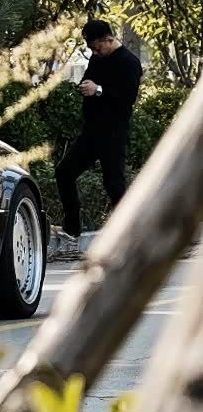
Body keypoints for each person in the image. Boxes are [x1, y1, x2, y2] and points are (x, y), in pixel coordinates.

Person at [54, 19, 143, 258]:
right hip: (91, 132)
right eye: (91, 49)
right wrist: (85, 87)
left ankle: (132, 236)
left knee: (114, 184)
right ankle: (72, 231)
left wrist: (99, 90)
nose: (94, 52)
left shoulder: (129, 62)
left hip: (113, 133)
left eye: (97, 47)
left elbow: (127, 98)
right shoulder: (97, 59)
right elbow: (90, 81)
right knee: (64, 172)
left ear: (108, 39)